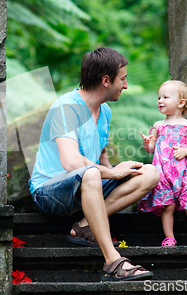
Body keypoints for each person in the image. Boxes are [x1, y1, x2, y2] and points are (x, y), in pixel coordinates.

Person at [28, 47, 159, 281]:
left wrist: (118, 169)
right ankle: (113, 262)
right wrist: (112, 173)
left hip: (86, 186)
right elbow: (71, 161)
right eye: (123, 79)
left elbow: (101, 156)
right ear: (106, 80)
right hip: (49, 192)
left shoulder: (104, 110)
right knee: (89, 173)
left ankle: (85, 225)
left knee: (148, 173)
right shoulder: (66, 107)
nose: (126, 85)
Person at [139, 80, 187, 247]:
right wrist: (147, 143)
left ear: (181, 103)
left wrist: (186, 151)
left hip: (184, 171)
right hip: (162, 172)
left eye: (165, 97)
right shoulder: (158, 125)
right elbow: (151, 149)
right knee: (167, 205)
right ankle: (169, 236)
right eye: (159, 97)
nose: (160, 101)